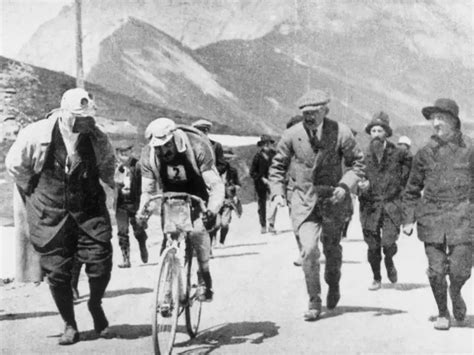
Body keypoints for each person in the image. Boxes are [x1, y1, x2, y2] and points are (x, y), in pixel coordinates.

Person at [5, 88, 116, 345]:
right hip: (50, 212)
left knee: (101, 262)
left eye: (89, 118)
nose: (85, 123)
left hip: (89, 211)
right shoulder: (36, 134)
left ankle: (95, 304)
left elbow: (108, 167)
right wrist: (35, 191)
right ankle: (70, 324)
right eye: (80, 118)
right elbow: (15, 165)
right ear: (65, 114)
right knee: (57, 273)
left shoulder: (97, 138)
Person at [269, 89, 365, 321]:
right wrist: (277, 192)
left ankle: (333, 284)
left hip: (332, 200)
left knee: (332, 250)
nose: (309, 117)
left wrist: (344, 186)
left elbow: (358, 164)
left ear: (325, 111)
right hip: (303, 201)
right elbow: (277, 166)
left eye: (314, 112)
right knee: (309, 250)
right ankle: (314, 299)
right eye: (305, 113)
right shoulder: (292, 134)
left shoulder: (341, 132)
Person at [402, 98, 473, 331]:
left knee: (461, 270)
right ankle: (443, 312)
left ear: (454, 121)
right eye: (434, 118)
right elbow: (412, 189)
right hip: (432, 216)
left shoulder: (470, 150)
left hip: (463, 216)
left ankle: (455, 292)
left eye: (441, 118)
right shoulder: (424, 154)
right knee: (436, 271)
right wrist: (408, 218)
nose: (436, 123)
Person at [137, 117, 224, 302]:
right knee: (169, 236)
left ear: (174, 138)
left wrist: (212, 209)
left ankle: (204, 277)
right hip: (170, 194)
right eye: (158, 147)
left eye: (167, 145)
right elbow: (147, 191)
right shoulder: (148, 155)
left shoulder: (198, 148)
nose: (163, 151)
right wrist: (142, 211)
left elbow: (216, 185)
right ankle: (167, 290)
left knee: (198, 231)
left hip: (198, 191)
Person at [358, 112, 412, 291]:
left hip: (391, 206)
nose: (376, 133)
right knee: (373, 246)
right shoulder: (362, 155)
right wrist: (360, 186)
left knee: (388, 243)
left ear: (386, 133)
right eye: (373, 130)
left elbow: (410, 167)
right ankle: (376, 277)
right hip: (369, 206)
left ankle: (389, 261)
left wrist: (402, 183)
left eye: (380, 130)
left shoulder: (398, 153)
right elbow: (353, 175)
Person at [114, 143, 148, 267]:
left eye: (126, 151)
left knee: (138, 230)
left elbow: (144, 185)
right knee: (122, 231)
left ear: (131, 151)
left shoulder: (137, 166)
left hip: (134, 202)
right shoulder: (115, 167)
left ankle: (142, 244)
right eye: (121, 152)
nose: (124, 155)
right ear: (117, 153)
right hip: (121, 203)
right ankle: (125, 258)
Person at [214, 149, 242, 248]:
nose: (226, 161)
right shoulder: (214, 170)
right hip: (216, 199)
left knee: (224, 223)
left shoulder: (233, 171)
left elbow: (238, 184)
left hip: (228, 200)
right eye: (224, 158)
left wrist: (233, 188)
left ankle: (221, 242)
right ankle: (213, 240)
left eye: (228, 159)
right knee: (215, 224)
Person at [250, 134, 277, 234]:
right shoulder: (257, 156)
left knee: (274, 203)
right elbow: (252, 172)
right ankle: (263, 225)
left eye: (268, 143)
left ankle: (271, 224)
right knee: (262, 205)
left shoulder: (274, 155)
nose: (266, 145)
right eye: (264, 143)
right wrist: (262, 178)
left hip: (273, 182)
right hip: (261, 184)